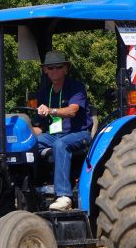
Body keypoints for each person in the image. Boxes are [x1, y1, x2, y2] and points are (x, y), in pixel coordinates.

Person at [32, 50, 92, 211]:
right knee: (29, 143)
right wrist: (26, 133)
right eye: (50, 68)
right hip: (54, 135)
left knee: (60, 144)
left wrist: (51, 110)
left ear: (66, 69)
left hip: (79, 135)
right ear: (45, 70)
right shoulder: (44, 92)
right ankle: (33, 188)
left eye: (58, 67)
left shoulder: (76, 87)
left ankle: (64, 196)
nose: (54, 71)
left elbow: (72, 111)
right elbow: (40, 127)